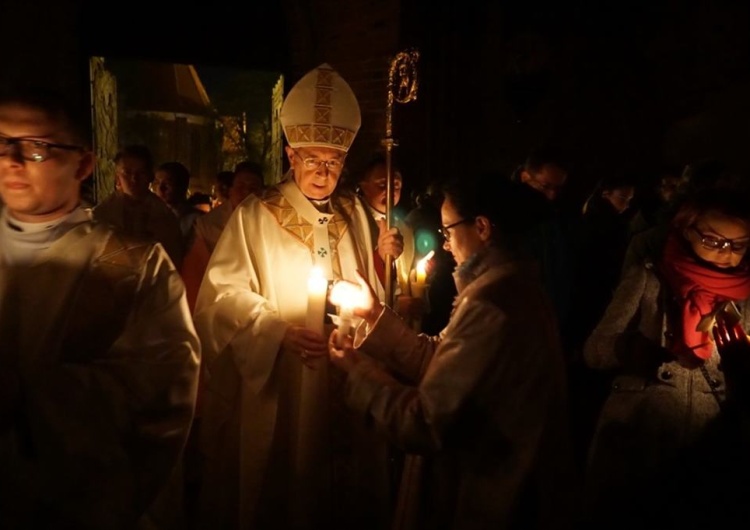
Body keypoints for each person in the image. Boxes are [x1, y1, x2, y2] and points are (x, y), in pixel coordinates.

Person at [192, 63, 399, 530]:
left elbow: (373, 291)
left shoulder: (357, 214)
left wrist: (386, 271)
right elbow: (220, 298)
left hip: (348, 369)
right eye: (312, 159)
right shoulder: (257, 215)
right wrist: (276, 332)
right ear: (290, 153)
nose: (323, 172)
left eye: (333, 161)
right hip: (285, 377)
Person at [327, 174, 579, 530]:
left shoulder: (493, 305)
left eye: (448, 231)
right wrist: (374, 314)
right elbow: (442, 360)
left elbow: (427, 421)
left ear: (481, 227)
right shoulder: (506, 289)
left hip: (488, 494)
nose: (445, 245)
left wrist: (356, 372)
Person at [0, 86, 200, 529]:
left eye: (35, 147)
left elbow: (160, 397)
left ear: (84, 164)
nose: (11, 160)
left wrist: (29, 395)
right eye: (1, 143)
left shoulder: (136, 267)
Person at [581, 185, 750, 527]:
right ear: (687, 229)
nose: (725, 253)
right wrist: (628, 349)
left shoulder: (746, 297)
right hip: (640, 434)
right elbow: (594, 350)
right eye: (713, 240)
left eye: (738, 245)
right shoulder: (649, 278)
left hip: (709, 441)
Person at [93, 144, 185, 268]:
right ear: (117, 176)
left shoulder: (165, 217)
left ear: (150, 176)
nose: (134, 179)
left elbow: (173, 261)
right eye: (127, 172)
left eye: (140, 173)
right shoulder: (102, 214)